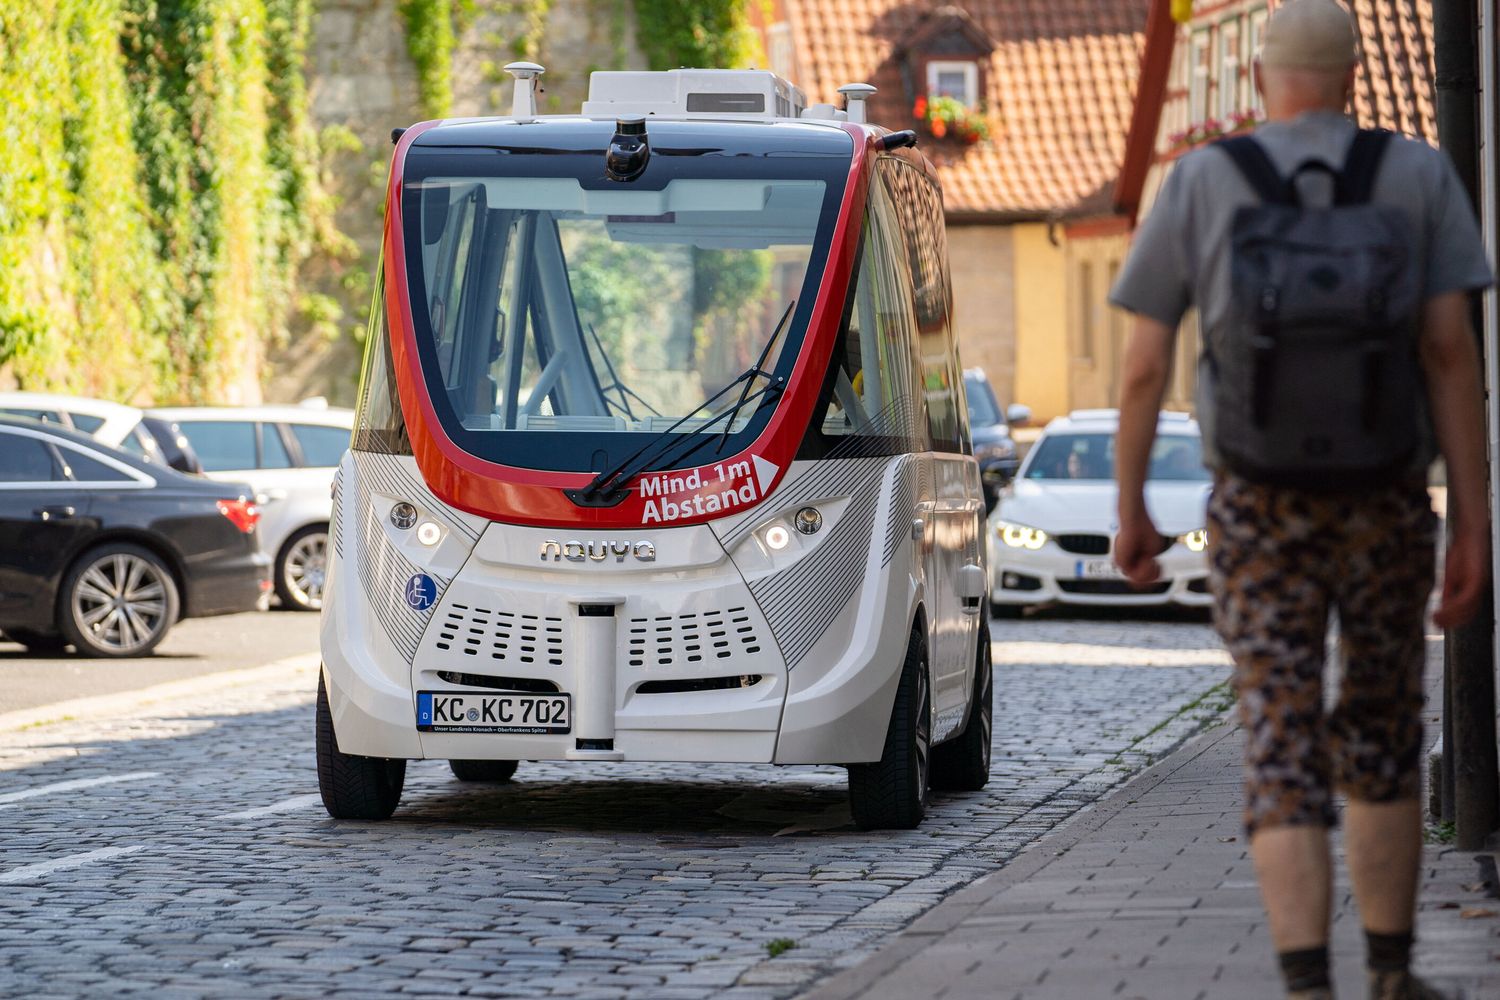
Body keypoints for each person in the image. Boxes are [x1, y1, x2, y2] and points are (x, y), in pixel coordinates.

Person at [1107, 2, 1493, 998]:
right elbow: (1451, 354)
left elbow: (1143, 365)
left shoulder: (1204, 179)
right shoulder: (1418, 175)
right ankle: (1393, 976)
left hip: (1258, 505)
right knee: (1382, 731)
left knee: (1280, 738)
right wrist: (1472, 521)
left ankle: (1307, 984)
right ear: (1354, 76)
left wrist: (1132, 505)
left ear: (1260, 80)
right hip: (1385, 503)